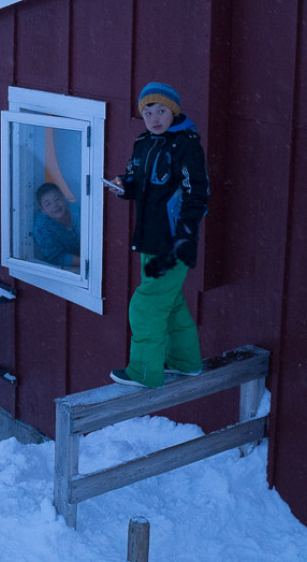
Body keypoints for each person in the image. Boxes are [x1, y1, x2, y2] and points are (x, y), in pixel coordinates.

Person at [107, 82, 209, 388]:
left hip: (173, 242)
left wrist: (184, 237)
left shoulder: (186, 146)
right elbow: (137, 182)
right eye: (148, 111)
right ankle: (185, 362)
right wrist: (123, 186)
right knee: (171, 301)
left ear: (173, 112)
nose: (154, 117)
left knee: (146, 305)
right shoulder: (143, 142)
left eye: (161, 110)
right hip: (150, 238)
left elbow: (197, 195)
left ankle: (145, 372)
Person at [33, 182, 81, 271]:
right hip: (66, 268)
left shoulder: (78, 211)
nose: (55, 205)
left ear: (64, 198)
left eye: (57, 199)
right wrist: (85, 262)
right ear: (43, 210)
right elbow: (57, 256)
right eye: (48, 204)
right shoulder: (42, 229)